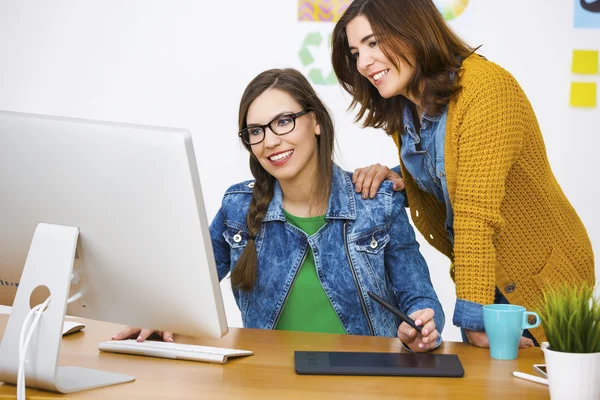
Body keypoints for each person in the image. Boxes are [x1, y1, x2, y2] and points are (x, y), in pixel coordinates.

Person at [113, 68, 444, 352]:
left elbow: (420, 298)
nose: (270, 141)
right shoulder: (238, 207)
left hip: (364, 385)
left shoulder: (377, 202)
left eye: (283, 122)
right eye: (256, 131)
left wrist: (421, 327)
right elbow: (187, 288)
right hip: (267, 384)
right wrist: (155, 313)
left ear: (315, 121)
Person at [330, 0, 595, 347]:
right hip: (486, 279)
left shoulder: (485, 89)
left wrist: (473, 317)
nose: (363, 64)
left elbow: (474, 210)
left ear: (413, 28)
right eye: (355, 53)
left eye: (373, 43)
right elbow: (451, 171)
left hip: (541, 283)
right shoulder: (410, 108)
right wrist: (398, 178)